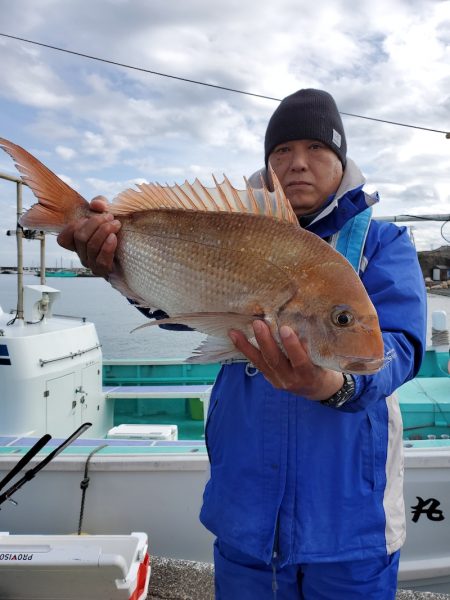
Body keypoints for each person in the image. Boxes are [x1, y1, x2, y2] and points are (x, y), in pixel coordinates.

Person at [58, 89, 427, 599]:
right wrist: (116, 269)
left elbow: (399, 348)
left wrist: (334, 385)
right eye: (281, 151)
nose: (297, 162)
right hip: (246, 517)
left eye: (317, 148)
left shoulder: (384, 244)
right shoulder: (232, 228)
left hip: (352, 524)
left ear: (341, 159)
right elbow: (178, 313)